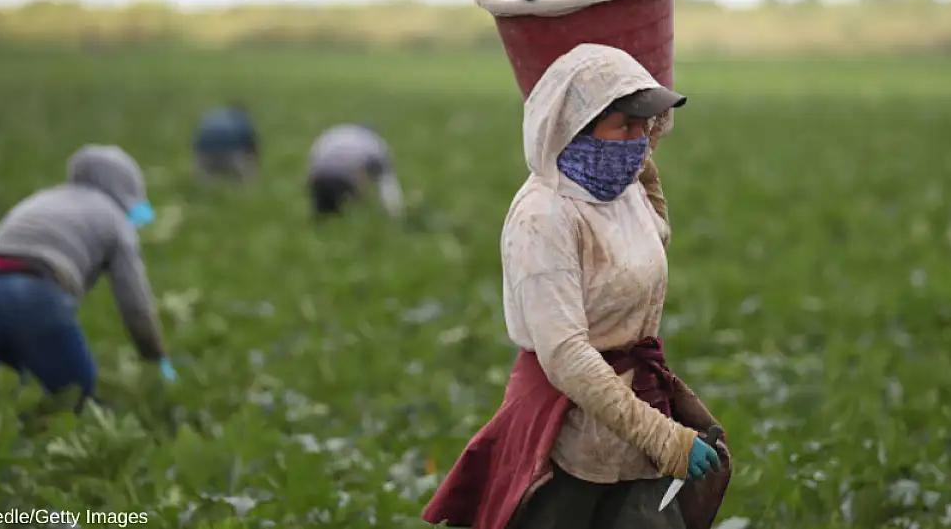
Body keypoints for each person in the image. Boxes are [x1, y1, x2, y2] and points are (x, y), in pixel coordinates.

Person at [422, 43, 732, 529]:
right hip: (568, 427)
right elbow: (566, 353)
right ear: (574, 128)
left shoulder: (621, 187)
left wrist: (645, 165)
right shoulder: (544, 217)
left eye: (645, 126)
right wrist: (663, 438)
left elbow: (655, 239)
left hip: (636, 409)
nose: (639, 139)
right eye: (625, 126)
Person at [0, 144, 176, 411]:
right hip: (32, 294)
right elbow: (136, 305)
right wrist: (156, 356)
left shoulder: (43, 198)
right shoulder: (114, 218)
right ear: (127, 188)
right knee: (77, 399)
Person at [306, 124, 405, 220]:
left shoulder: (332, 134)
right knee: (350, 209)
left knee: (323, 214)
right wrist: (395, 211)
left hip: (319, 177)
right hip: (344, 178)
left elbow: (313, 161)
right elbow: (387, 183)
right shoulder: (374, 143)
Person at [193, 104, 260, 182]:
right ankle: (247, 190)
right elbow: (251, 146)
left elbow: (196, 141)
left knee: (206, 179)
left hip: (205, 155)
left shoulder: (212, 116)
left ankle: (205, 188)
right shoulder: (242, 119)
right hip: (229, 155)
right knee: (247, 170)